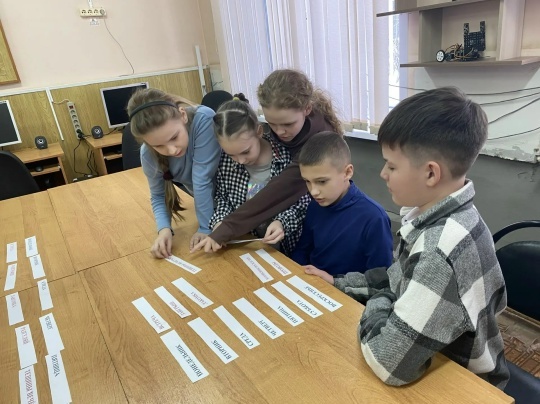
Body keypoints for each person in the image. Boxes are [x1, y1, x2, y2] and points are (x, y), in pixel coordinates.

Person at [305, 87, 509, 389]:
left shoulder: (439, 250)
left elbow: (387, 361)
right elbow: (397, 279)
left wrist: (383, 301)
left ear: (431, 174)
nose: (383, 174)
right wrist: (339, 283)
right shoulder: (453, 214)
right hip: (438, 356)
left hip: (463, 384)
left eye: (391, 165)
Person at [192, 69, 342, 253]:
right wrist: (220, 223)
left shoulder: (316, 142)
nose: (279, 132)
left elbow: (280, 192)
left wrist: (226, 228)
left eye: (287, 124)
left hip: (320, 228)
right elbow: (223, 197)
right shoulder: (277, 138)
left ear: (307, 109)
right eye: (271, 124)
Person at [210, 95, 309, 255]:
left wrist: (281, 222)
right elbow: (223, 198)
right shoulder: (224, 162)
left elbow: (301, 202)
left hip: (286, 250)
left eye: (246, 152)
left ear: (259, 132)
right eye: (231, 155)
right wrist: (219, 223)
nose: (240, 161)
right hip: (246, 246)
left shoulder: (286, 157)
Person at [127, 88, 220, 258]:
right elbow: (158, 196)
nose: (171, 150)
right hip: (213, 210)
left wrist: (205, 227)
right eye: (158, 146)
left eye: (174, 137)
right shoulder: (147, 155)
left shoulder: (204, 119)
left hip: (237, 202)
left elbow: (202, 179)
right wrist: (164, 230)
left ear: (183, 115)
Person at [291, 132, 393, 275]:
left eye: (322, 181)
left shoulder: (374, 218)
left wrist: (335, 282)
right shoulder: (315, 205)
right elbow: (302, 251)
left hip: (346, 287)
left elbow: (380, 277)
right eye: (307, 181)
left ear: (347, 172)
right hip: (310, 280)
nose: (313, 191)